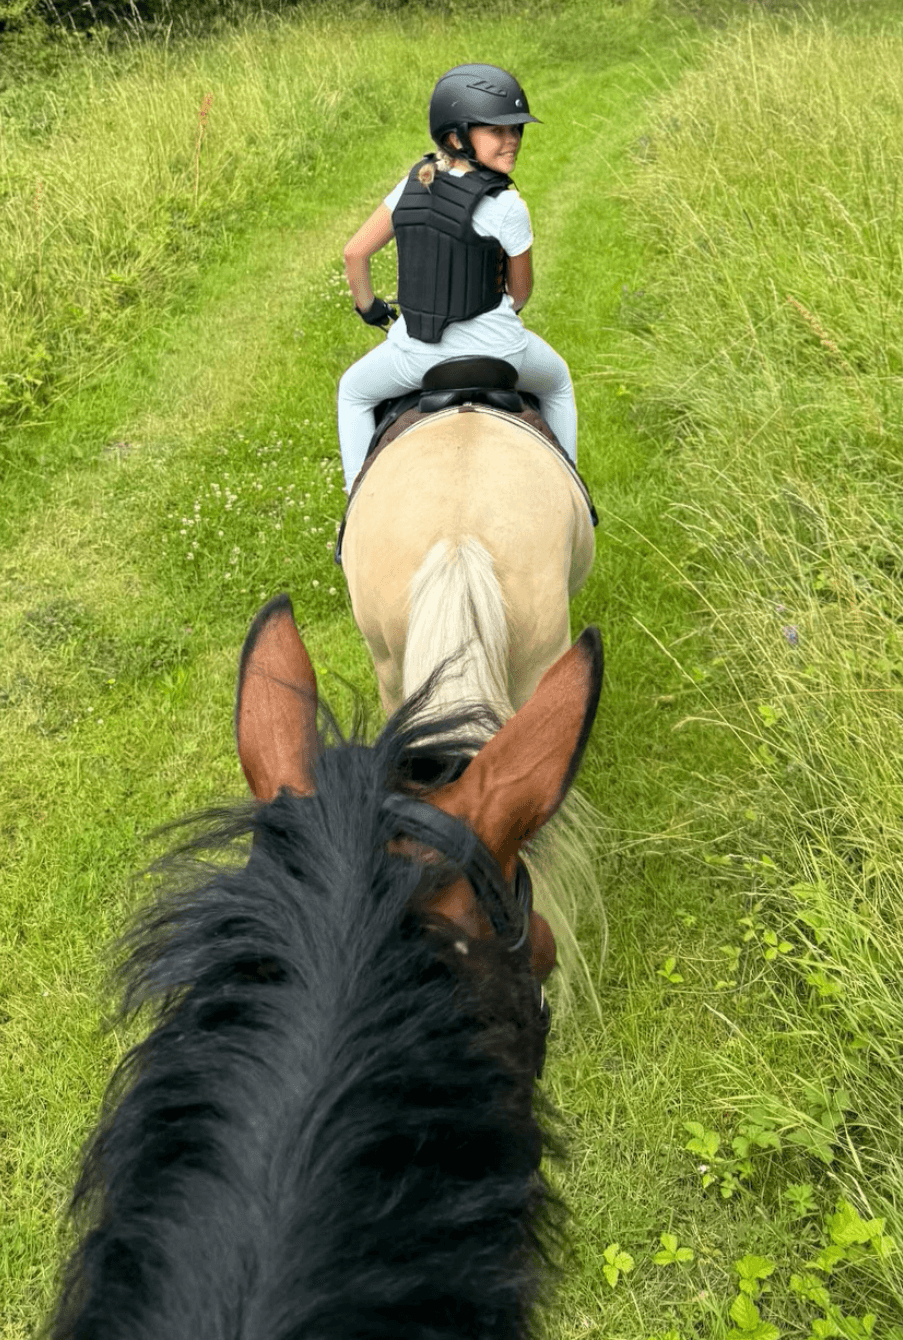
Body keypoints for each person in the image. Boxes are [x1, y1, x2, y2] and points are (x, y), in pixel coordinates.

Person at [337, 62, 578, 492]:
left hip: (416, 356)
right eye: (497, 131)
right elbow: (520, 293)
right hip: (503, 355)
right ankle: (570, 488)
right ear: (457, 137)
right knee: (558, 382)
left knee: (353, 392)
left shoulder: (413, 184)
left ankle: (358, 497)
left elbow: (355, 253)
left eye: (516, 130)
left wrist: (370, 307)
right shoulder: (508, 205)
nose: (512, 141)